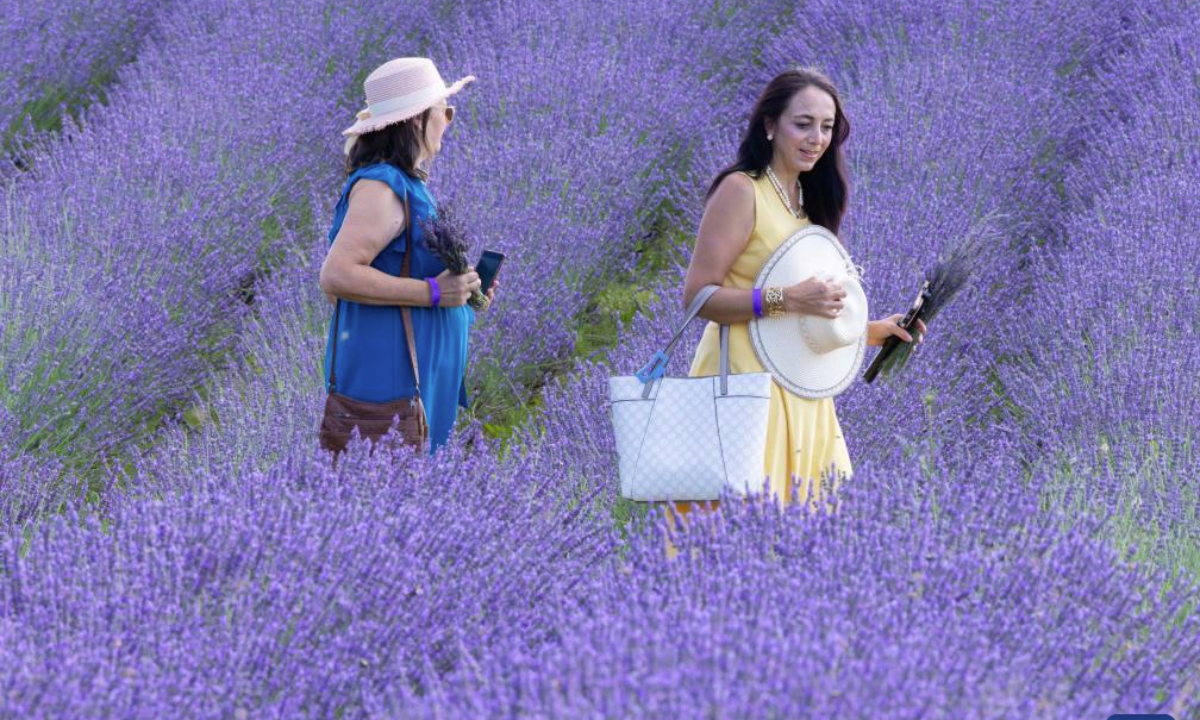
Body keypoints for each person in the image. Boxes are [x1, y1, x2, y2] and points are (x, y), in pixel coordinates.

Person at [678, 67, 927, 519]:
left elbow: (805, 311)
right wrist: (785, 299)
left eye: (827, 127)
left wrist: (869, 332)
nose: (816, 138)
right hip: (741, 384)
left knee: (815, 529)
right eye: (803, 123)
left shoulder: (808, 205)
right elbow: (697, 297)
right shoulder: (741, 190)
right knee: (732, 534)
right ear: (770, 126)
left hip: (802, 385)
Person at [318, 57, 496, 451]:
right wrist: (433, 292)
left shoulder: (405, 185)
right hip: (393, 377)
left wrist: (463, 295)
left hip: (417, 373)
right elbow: (336, 278)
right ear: (416, 120)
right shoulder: (383, 188)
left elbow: (408, 273)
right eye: (444, 111)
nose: (449, 121)